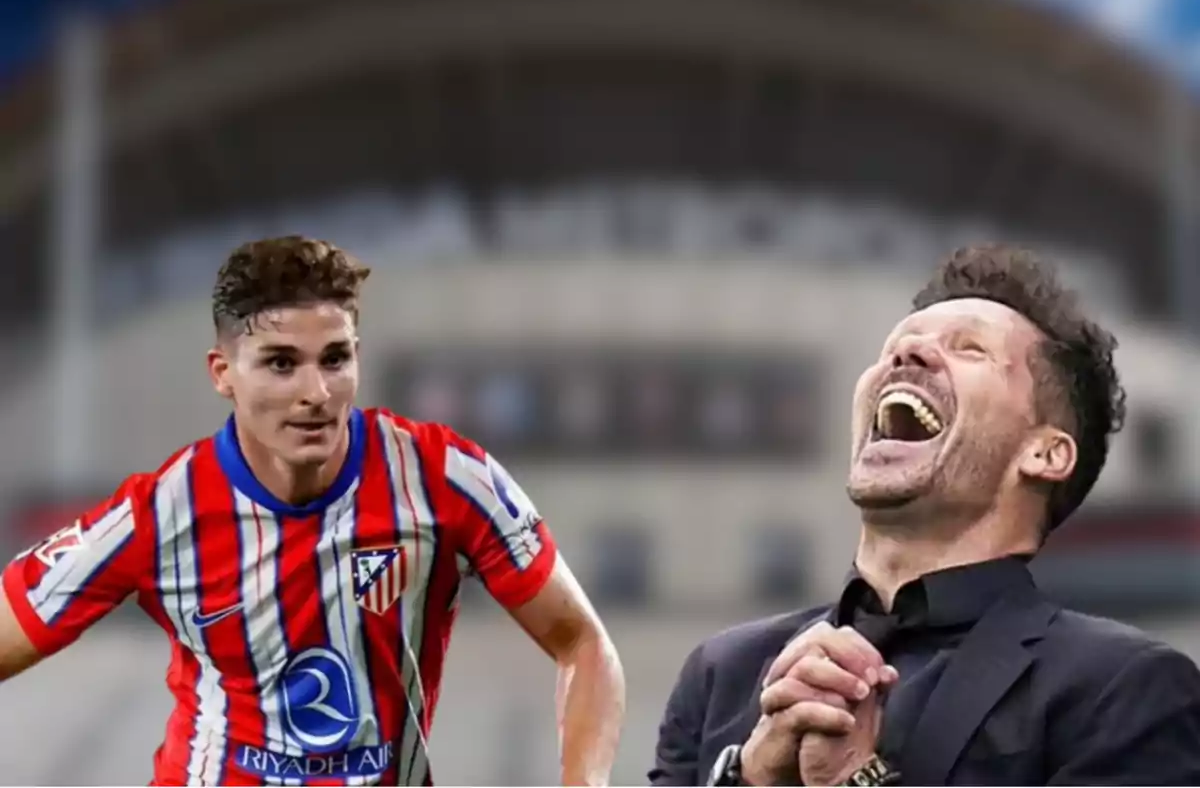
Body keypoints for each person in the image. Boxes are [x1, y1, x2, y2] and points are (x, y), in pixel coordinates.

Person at [0, 236, 625, 786]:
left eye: (334, 359)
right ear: (223, 373)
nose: (315, 393)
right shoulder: (162, 512)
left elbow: (583, 644)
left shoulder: (442, 478)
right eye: (280, 363)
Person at [651, 244, 1200, 786]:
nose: (905, 356)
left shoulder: (1123, 690)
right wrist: (748, 782)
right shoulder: (722, 674)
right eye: (895, 347)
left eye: (968, 350)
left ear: (1045, 454)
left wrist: (855, 778)